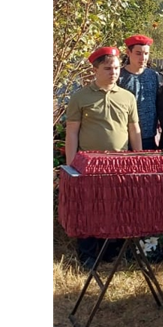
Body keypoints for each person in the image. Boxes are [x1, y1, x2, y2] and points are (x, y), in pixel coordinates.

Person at [65, 46, 142, 269]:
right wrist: (71, 166)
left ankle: (111, 252)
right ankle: (88, 255)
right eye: (108, 68)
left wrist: (137, 159)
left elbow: (134, 130)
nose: (114, 72)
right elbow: (72, 131)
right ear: (95, 70)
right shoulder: (80, 97)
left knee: (117, 207)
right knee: (89, 208)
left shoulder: (127, 97)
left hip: (120, 163)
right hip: (89, 164)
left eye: (117, 68)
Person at [117, 34, 163, 150]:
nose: (143, 58)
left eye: (146, 54)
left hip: (149, 136)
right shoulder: (119, 76)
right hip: (124, 136)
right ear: (128, 53)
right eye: (138, 53)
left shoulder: (153, 76)